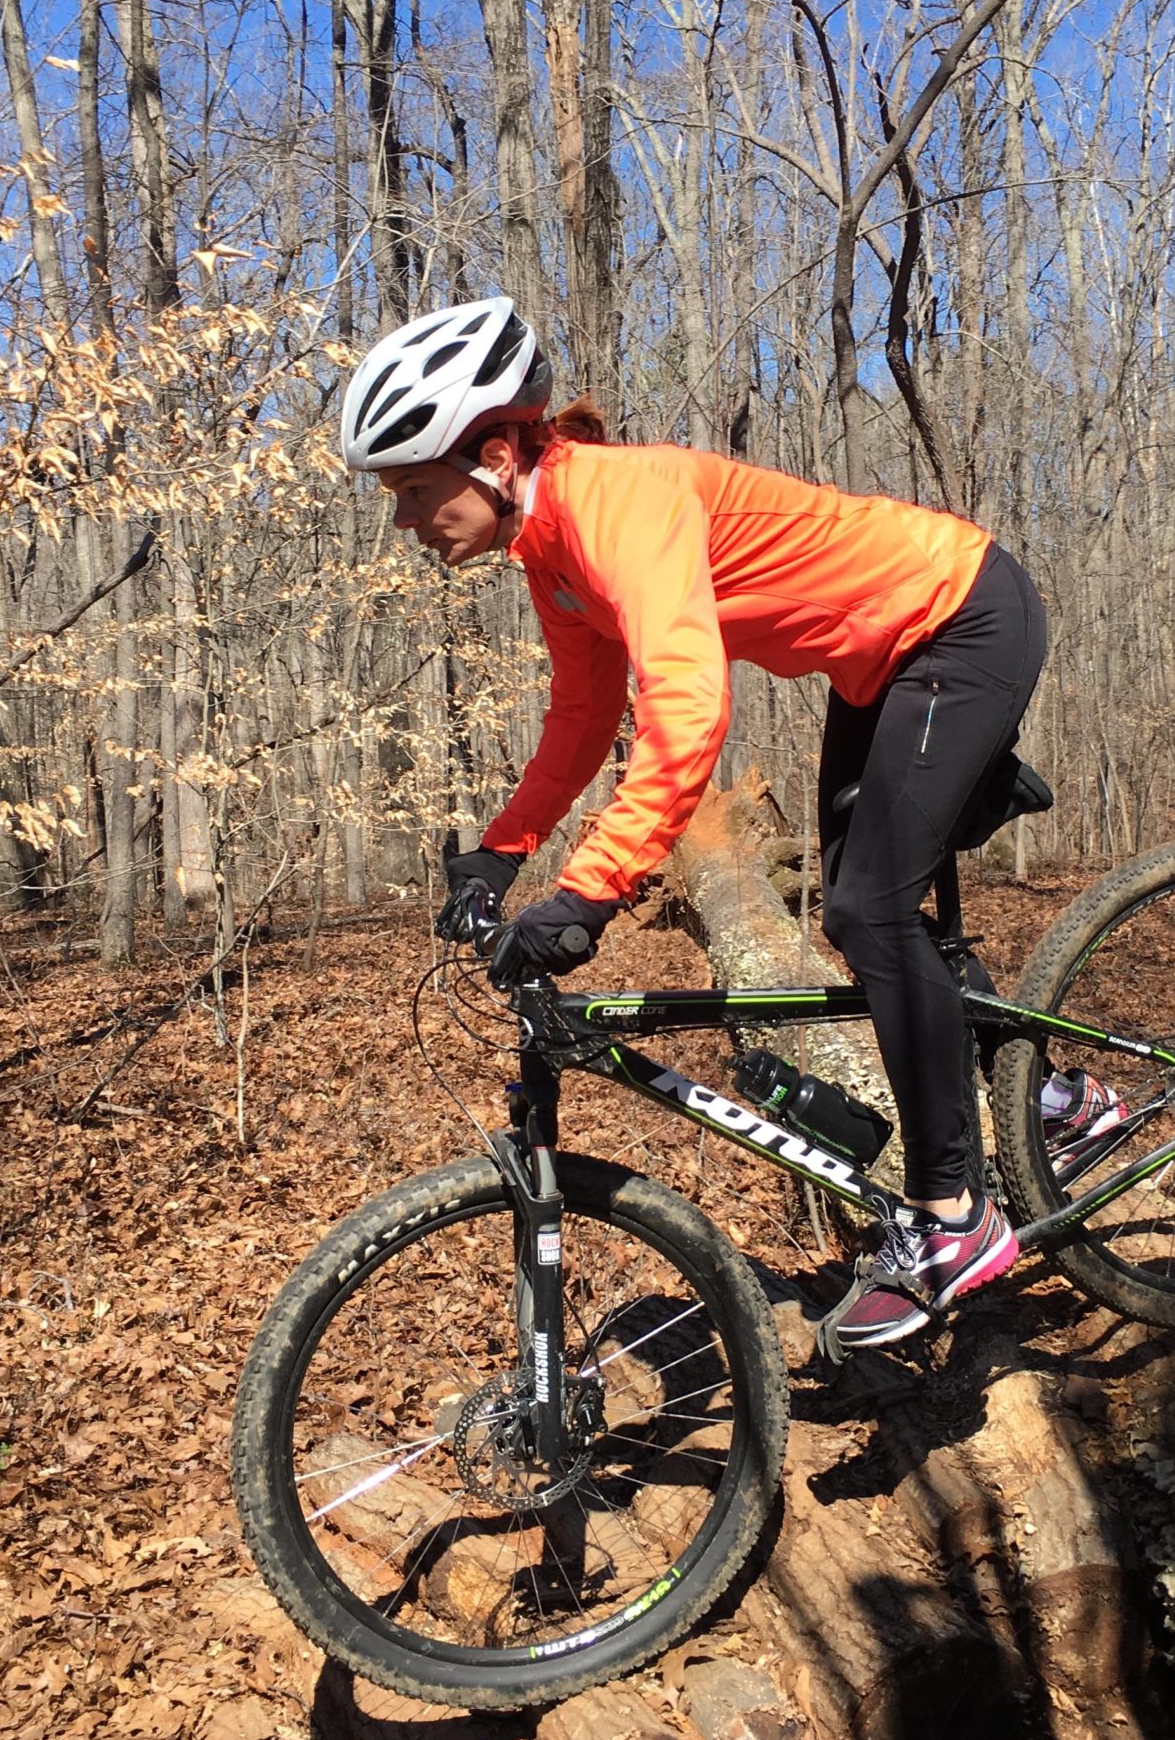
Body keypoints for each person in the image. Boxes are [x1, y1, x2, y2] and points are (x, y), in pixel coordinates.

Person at [340, 296, 1078, 1348]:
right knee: (866, 912)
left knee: (870, 908)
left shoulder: (617, 508)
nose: (407, 521)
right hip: (878, 662)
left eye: (414, 490)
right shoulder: (551, 555)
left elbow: (688, 712)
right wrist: (499, 854)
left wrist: (593, 890)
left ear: (497, 455)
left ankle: (955, 1218)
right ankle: (1053, 1099)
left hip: (955, 614)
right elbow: (583, 718)